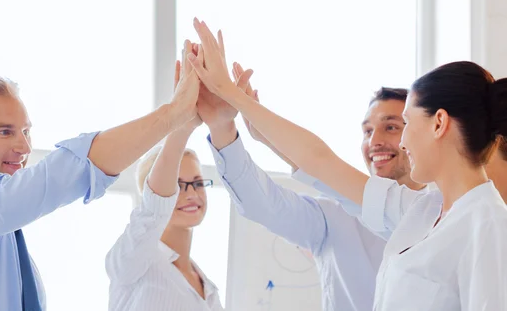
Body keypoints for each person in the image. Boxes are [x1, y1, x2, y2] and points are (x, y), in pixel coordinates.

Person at [188, 18, 507, 310]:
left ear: (439, 123)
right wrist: (238, 106)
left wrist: (232, 95)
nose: (403, 141)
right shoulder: (422, 211)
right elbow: (320, 161)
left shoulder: (489, 225)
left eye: (404, 124)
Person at [0, 43, 201, 311]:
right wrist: (173, 115)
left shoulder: (1, 230)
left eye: (26, 131)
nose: (24, 147)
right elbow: (59, 176)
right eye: (5, 131)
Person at [194, 49, 423, 310]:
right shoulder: (332, 218)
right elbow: (260, 201)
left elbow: (318, 160)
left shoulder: (441, 212)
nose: (374, 142)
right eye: (367, 131)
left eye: (391, 127)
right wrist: (222, 126)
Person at [105, 57, 224, 310]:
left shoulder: (209, 289)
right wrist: (182, 124)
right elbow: (153, 209)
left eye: (198, 183)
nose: (192, 194)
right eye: (178, 185)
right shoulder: (134, 262)